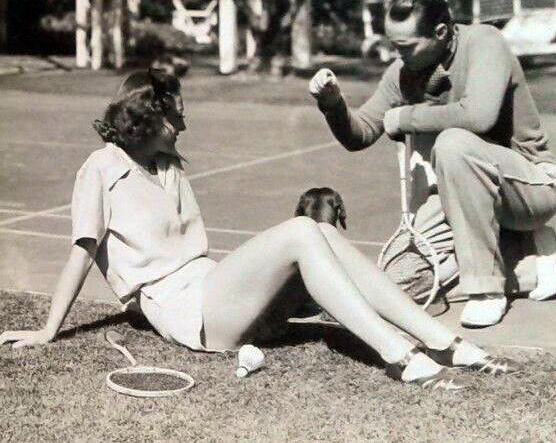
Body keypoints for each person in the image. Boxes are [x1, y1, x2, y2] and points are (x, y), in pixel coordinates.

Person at [0, 67, 519, 390]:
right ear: (148, 119)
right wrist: (47, 331)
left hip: (219, 290)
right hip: (191, 314)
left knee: (323, 234)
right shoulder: (100, 168)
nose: (184, 125)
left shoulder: (169, 165)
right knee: (300, 230)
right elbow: (81, 253)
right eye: (176, 117)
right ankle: (397, 354)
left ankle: (441, 342)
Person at [310, 0, 556, 327]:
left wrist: (406, 118)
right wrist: (332, 104)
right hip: (455, 196)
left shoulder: (485, 42)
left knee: (453, 144)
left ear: (441, 32)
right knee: (402, 281)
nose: (397, 53)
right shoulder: (403, 70)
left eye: (406, 45)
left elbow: (479, 115)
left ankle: (486, 290)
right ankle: (532, 264)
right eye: (394, 44)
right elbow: (361, 132)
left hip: (529, 187)